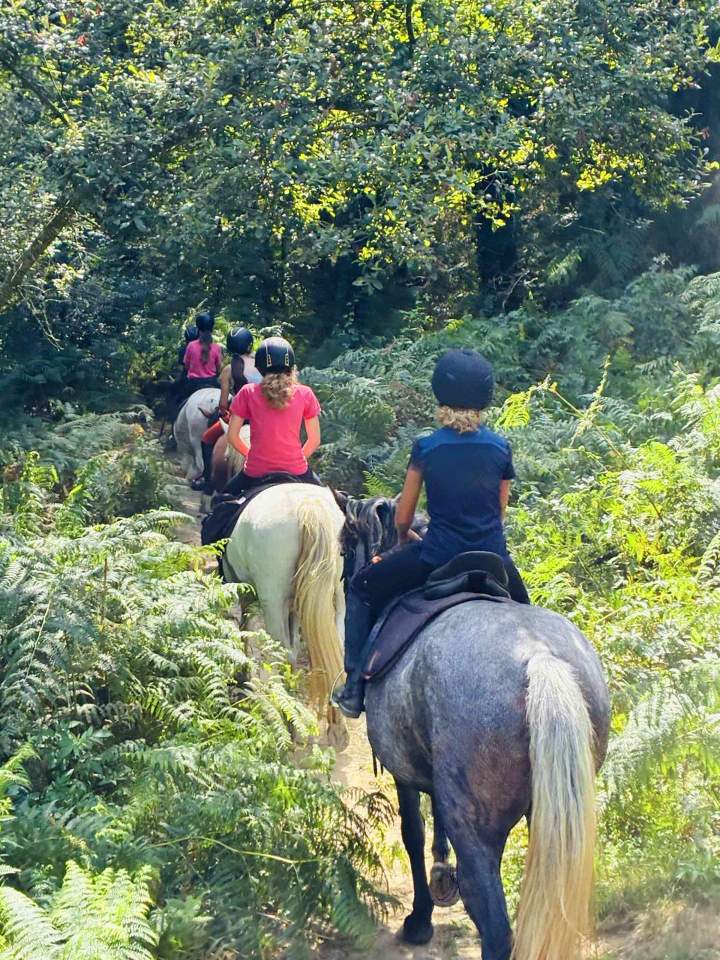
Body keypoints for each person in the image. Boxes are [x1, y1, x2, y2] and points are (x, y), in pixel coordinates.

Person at [333, 347, 530, 719]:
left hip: (437, 555)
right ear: (484, 400)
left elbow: (403, 517)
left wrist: (406, 538)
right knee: (530, 616)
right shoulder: (501, 448)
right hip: (494, 558)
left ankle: (354, 686)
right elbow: (499, 511)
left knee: (360, 588)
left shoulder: (426, 447)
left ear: (440, 395)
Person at [224, 336, 322, 495]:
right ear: (291, 366)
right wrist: (295, 460)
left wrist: (252, 456)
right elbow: (314, 440)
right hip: (296, 470)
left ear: (260, 367)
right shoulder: (306, 393)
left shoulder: (247, 392)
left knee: (220, 504)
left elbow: (233, 436)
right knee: (332, 503)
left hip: (256, 471)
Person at [191, 327, 261, 493]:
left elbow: (223, 404)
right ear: (250, 344)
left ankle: (208, 481)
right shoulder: (261, 365)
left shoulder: (229, 369)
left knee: (207, 439)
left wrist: (223, 412)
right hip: (263, 416)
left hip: (241, 417)